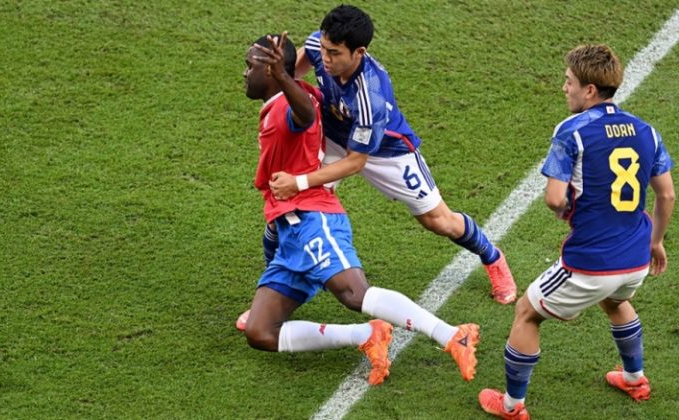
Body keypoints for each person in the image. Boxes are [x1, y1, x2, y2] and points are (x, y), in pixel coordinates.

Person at [242, 32, 480, 385]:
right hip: (291, 230)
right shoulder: (291, 96)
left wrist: (282, 76)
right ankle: (366, 335)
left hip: (313, 219)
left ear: (272, 71)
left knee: (355, 293)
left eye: (250, 66)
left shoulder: (288, 106)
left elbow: (304, 116)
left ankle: (452, 335)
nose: (245, 73)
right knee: (260, 331)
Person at [265, 4, 517, 306]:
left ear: (359, 52)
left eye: (334, 53)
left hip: (385, 151)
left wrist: (300, 181)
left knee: (438, 221)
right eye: (324, 49)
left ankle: (492, 257)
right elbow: (295, 71)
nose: (326, 58)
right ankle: (271, 295)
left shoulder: (371, 96)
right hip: (334, 136)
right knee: (287, 207)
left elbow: (355, 162)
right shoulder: (320, 45)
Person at [478, 44, 674, 419]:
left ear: (590, 90)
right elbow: (666, 194)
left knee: (526, 312)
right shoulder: (646, 131)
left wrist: (566, 209)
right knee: (615, 301)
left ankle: (512, 406)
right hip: (636, 258)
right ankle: (634, 379)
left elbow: (554, 198)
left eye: (569, 81)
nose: (564, 88)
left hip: (591, 262)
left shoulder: (573, 131)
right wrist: (657, 242)